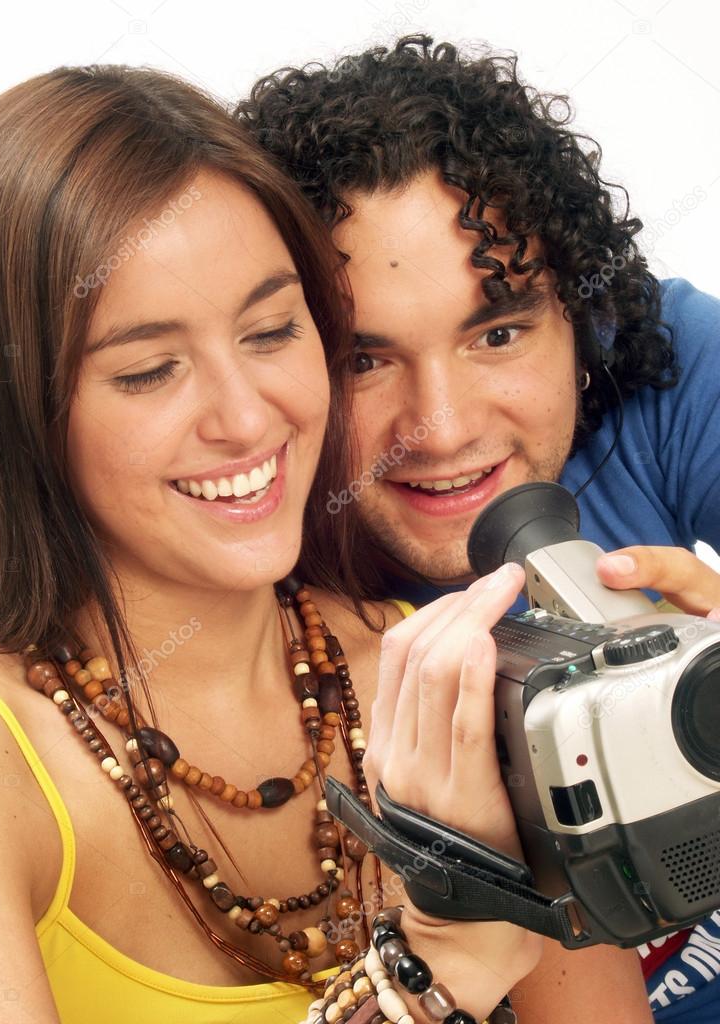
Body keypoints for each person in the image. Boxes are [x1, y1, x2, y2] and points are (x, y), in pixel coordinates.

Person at [0, 61, 636, 1024]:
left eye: (273, 331)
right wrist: (434, 975)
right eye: (150, 371)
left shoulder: (448, 673)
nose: (246, 418)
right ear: (15, 408)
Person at [237, 33, 720, 1021]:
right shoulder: (263, 594)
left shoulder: (663, 360)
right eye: (364, 359)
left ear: (580, 322)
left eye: (497, 332)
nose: (443, 428)